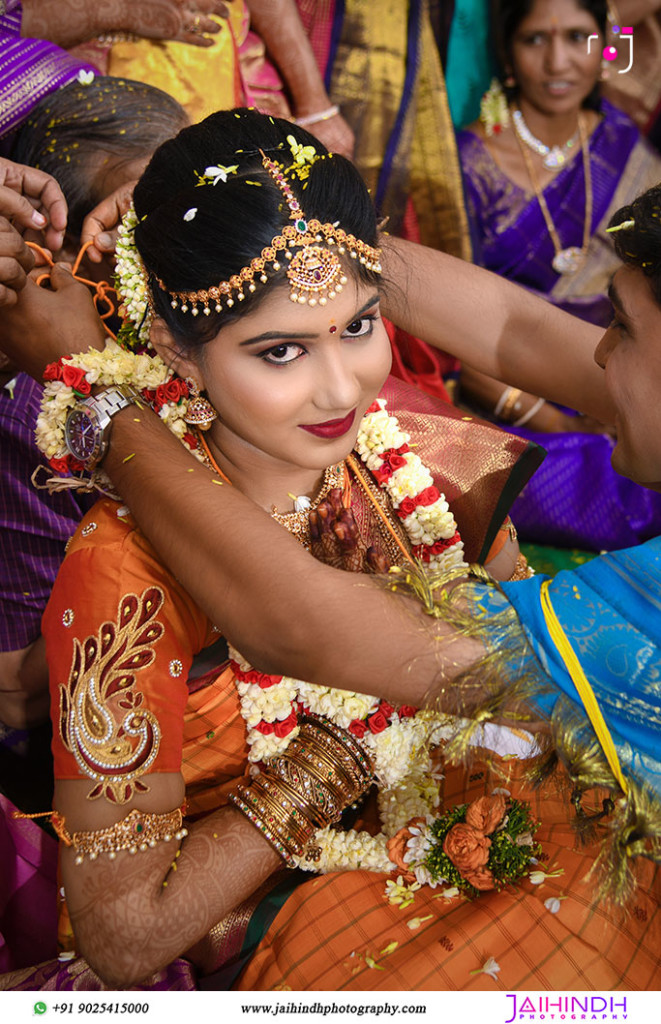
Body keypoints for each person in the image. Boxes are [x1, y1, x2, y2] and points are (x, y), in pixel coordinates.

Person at [1, 109, 659, 992]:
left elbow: (313, 627)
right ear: (171, 346)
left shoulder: (418, 468)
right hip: (298, 940)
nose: (343, 385)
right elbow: (124, 936)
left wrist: (93, 380)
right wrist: (332, 759)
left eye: (359, 326)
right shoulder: (126, 568)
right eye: (280, 350)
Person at [454, 0, 661, 551]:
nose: (559, 62)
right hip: (508, 400)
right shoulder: (468, 161)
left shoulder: (626, 145)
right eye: (535, 40)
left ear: (607, 48)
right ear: (507, 51)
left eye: (579, 38)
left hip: (617, 385)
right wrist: (558, 423)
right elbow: (449, 335)